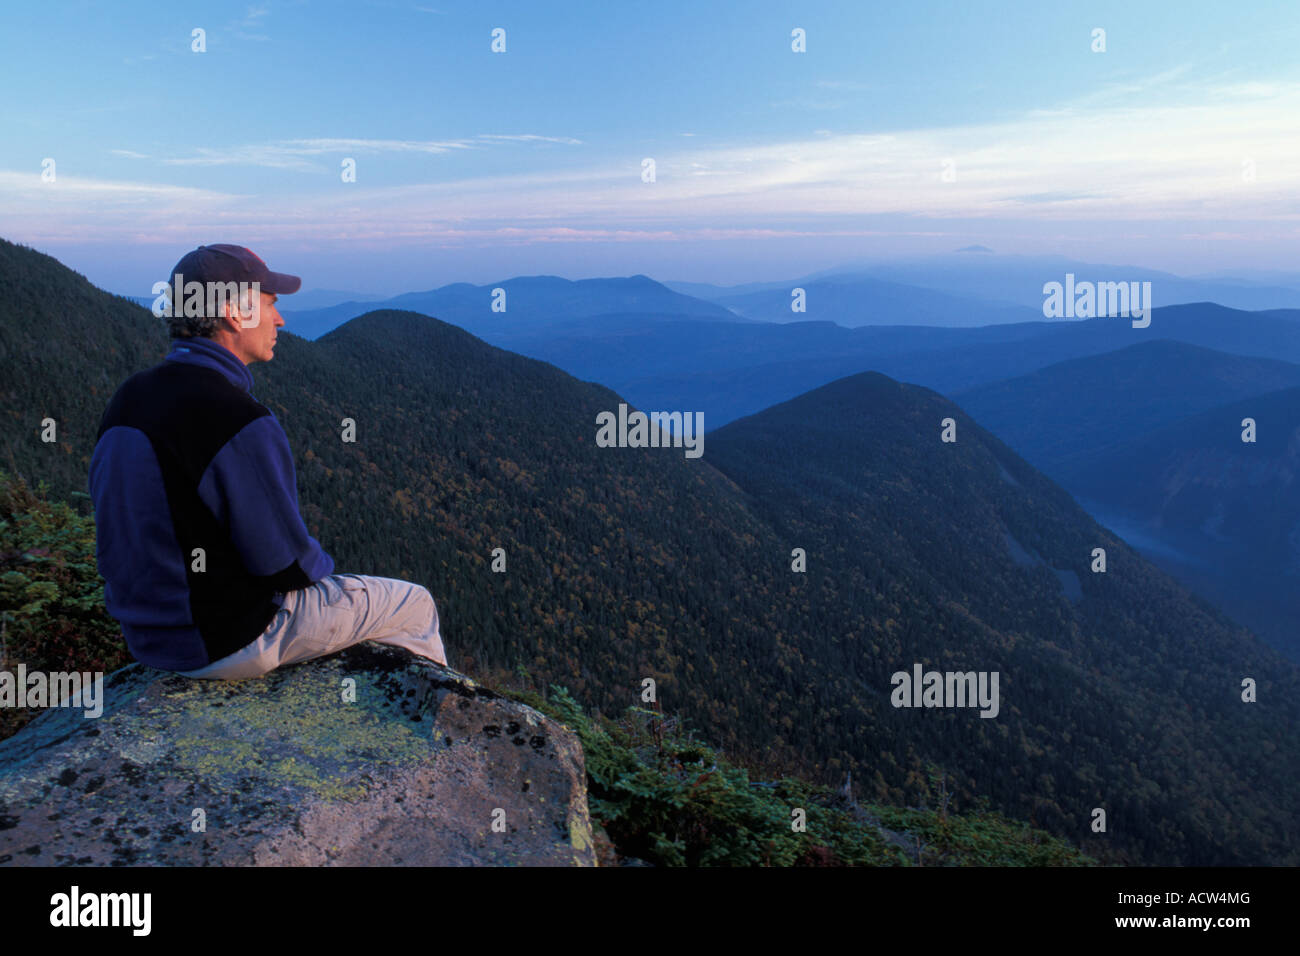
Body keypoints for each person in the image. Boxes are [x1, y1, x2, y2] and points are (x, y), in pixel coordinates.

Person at [88, 243, 447, 680]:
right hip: (230, 638)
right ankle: (427, 733)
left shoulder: (130, 396)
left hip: (150, 639)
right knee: (414, 602)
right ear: (235, 314)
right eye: (271, 304)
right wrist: (325, 575)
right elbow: (289, 567)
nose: (279, 319)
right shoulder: (236, 416)